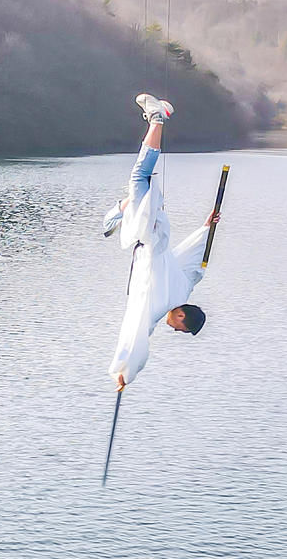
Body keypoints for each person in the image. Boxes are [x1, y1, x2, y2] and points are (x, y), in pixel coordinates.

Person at [103, 93, 220, 391]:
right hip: (147, 233)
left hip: (154, 231)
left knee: (131, 192)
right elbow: (138, 337)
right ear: (181, 316)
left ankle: (122, 209)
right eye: (181, 329)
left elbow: (196, 263)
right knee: (140, 175)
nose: (176, 330)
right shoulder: (159, 305)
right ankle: (158, 118)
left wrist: (206, 229)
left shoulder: (183, 287)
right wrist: (125, 374)